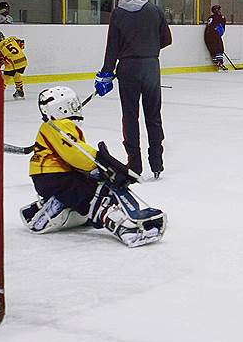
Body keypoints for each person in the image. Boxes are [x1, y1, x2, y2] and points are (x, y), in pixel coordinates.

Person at [21, 86, 166, 247]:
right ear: (60, 108)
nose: (77, 107)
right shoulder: (58, 125)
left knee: (87, 198)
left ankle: (51, 209)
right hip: (55, 177)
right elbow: (76, 153)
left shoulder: (57, 126)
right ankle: (127, 230)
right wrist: (101, 164)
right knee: (98, 195)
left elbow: (74, 154)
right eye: (72, 104)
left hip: (54, 178)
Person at [95, 0, 172, 179]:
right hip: (151, 68)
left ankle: (134, 165)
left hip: (128, 69)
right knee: (153, 116)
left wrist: (106, 73)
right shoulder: (155, 10)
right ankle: (157, 162)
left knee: (130, 117)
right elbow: (167, 39)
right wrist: (150, 49)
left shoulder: (118, 13)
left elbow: (112, 47)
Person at [0, 30, 28, 100]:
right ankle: (20, 91)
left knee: (4, 79)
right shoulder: (12, 38)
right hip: (23, 61)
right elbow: (22, 45)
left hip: (12, 65)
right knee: (16, 73)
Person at [205, 5, 227, 71]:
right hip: (213, 35)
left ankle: (218, 62)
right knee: (218, 48)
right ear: (216, 10)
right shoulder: (219, 17)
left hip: (210, 35)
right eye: (219, 10)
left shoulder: (211, 17)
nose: (220, 11)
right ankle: (219, 62)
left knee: (215, 49)